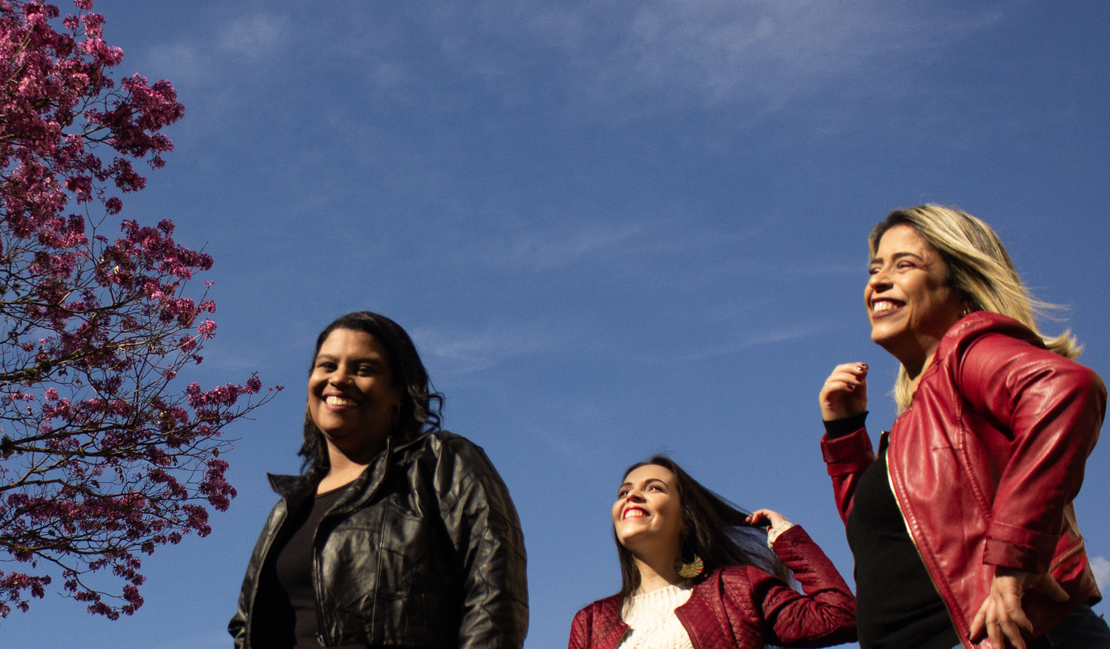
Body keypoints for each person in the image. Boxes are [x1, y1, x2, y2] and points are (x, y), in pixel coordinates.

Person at [819, 205, 1108, 649]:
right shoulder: (917, 422)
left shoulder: (964, 351)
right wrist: (845, 435)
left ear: (963, 288)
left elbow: (1067, 388)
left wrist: (1014, 560)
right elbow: (882, 544)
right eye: (875, 268)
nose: (877, 280)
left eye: (905, 264)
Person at [229, 311, 529, 649]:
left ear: (398, 391)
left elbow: (495, 598)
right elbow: (247, 627)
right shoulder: (287, 511)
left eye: (363, 369)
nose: (339, 379)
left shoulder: (441, 463)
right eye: (327, 366)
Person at [568, 455, 856, 649]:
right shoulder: (591, 623)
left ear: (687, 522)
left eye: (654, 488)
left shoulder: (737, 591)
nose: (631, 496)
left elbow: (842, 616)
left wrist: (787, 538)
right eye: (623, 492)